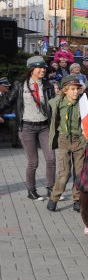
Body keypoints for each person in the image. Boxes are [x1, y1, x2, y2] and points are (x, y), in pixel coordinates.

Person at [0, 56, 56, 200]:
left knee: (51, 159)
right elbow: (8, 101)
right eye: (39, 67)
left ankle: (51, 188)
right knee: (33, 162)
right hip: (27, 127)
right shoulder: (20, 84)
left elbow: (54, 106)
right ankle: (31, 190)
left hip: (44, 126)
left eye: (44, 68)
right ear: (31, 69)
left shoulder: (48, 85)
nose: (43, 70)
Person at [46, 75, 87, 213]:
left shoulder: (83, 102)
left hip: (79, 140)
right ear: (65, 90)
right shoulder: (58, 102)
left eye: (78, 89)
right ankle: (54, 198)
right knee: (64, 173)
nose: (76, 92)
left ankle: (77, 199)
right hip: (63, 139)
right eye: (72, 89)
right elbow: (50, 106)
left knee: (79, 172)